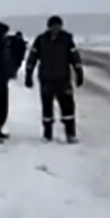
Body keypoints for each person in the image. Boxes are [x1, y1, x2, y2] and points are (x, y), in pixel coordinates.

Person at [24, 15, 84, 143]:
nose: (56, 29)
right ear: (49, 27)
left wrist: (79, 72)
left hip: (63, 79)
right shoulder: (41, 40)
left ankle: (70, 133)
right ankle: (47, 133)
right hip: (46, 79)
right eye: (53, 26)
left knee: (68, 108)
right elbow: (32, 57)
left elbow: (75, 57)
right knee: (47, 108)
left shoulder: (67, 40)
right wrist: (28, 73)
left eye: (58, 26)